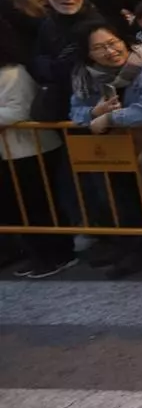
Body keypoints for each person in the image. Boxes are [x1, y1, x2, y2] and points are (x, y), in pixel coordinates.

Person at [69, 22, 142, 277]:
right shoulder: (85, 74)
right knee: (115, 197)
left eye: (113, 43)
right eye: (99, 48)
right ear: (89, 54)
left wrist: (109, 119)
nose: (110, 51)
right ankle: (127, 243)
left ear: (124, 41)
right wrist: (94, 113)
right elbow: (74, 110)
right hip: (112, 145)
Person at [0, 25, 76, 278]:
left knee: (39, 204)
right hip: (8, 151)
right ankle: (35, 253)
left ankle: (59, 253)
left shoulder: (13, 73)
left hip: (30, 148)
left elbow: (18, 111)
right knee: (15, 207)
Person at [30, 0, 106, 120]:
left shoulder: (96, 22)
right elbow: (38, 60)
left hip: (96, 107)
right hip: (62, 108)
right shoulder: (48, 24)